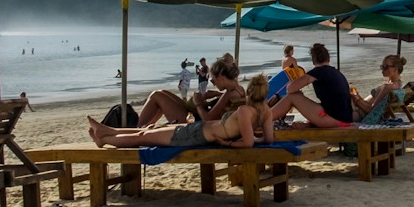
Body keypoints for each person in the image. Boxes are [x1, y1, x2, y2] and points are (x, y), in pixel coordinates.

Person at [89, 73, 275, 151]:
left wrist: (226, 144)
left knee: (144, 136)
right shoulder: (265, 111)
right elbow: (267, 139)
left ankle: (104, 139)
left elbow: (248, 143)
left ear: (250, 92)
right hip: (198, 131)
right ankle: (107, 131)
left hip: (195, 134)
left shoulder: (244, 110)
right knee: (147, 132)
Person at [270, 43, 359, 127]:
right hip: (346, 118)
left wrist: (299, 92)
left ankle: (264, 120)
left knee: (292, 97)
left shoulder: (317, 72)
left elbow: (289, 88)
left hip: (333, 118)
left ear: (313, 60)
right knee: (298, 95)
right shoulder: (337, 73)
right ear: (328, 58)